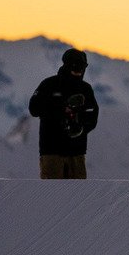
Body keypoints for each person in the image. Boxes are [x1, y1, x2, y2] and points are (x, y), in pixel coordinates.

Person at [28, 48, 99, 179]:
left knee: (79, 196)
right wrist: (60, 111)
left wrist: (80, 127)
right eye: (75, 66)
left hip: (76, 153)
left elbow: (93, 115)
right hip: (52, 152)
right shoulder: (49, 85)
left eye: (82, 66)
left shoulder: (85, 89)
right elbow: (34, 108)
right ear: (66, 65)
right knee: (52, 194)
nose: (78, 70)